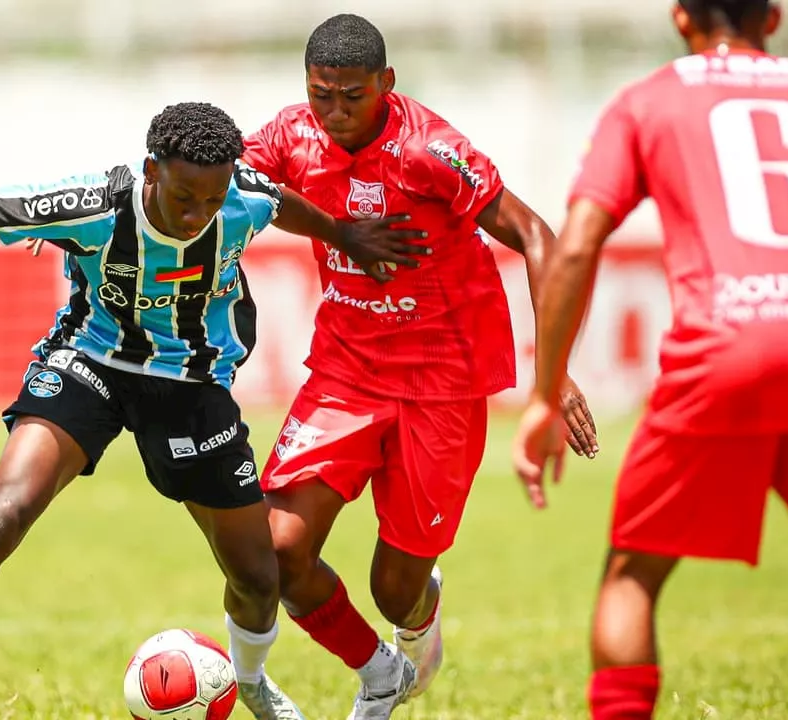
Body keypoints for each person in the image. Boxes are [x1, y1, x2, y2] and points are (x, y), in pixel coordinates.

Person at [0, 101, 430, 720]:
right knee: (3, 516)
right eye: (183, 196)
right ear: (150, 171)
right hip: (91, 365)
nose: (199, 213)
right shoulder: (90, 204)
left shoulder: (242, 198)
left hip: (192, 385)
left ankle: (252, 683)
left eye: (211, 197)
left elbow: (281, 202)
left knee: (257, 578)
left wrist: (345, 234)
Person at [240, 14, 599, 719]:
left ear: (387, 84)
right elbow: (238, 184)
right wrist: (336, 231)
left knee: (393, 589)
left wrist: (551, 378)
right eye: (322, 96)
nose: (336, 113)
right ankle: (379, 672)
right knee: (278, 548)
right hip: (345, 372)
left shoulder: (430, 149)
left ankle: (418, 622)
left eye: (353, 96)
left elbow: (536, 235)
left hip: (444, 384)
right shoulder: (290, 134)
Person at [512, 2, 788, 718]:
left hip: (727, 348)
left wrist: (546, 390)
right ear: (774, 18)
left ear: (681, 16)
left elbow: (581, 241)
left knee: (633, 574)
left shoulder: (647, 100)